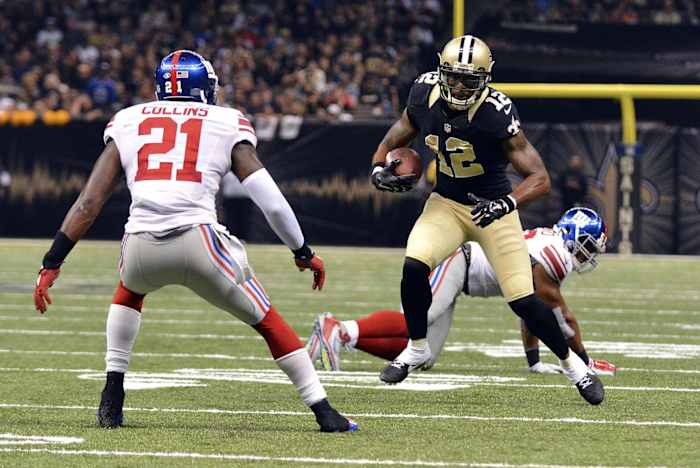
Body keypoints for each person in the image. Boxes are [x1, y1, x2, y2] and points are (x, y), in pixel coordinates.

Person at [32, 50, 357, 433]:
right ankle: (323, 411)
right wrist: (302, 251)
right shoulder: (226, 121)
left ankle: (112, 391)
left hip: (140, 245)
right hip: (200, 241)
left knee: (129, 290)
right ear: (205, 88)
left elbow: (89, 203)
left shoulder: (128, 119)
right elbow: (270, 200)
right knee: (267, 320)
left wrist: (52, 262)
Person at [369, 35, 603, 404]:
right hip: (447, 204)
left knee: (523, 299)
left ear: (485, 79)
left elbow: (540, 178)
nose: (460, 87)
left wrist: (505, 203)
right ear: (441, 72)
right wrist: (378, 168)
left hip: (493, 209)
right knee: (414, 265)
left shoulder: (495, 112)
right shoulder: (423, 93)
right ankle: (416, 348)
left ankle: (575, 367)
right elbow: (393, 138)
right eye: (454, 77)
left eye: (469, 80)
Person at [307, 207, 616, 377]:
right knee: (414, 322)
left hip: (463, 271)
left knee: (423, 356)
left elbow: (533, 311)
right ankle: (339, 328)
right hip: (459, 261)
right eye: (589, 247)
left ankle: (343, 337)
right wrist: (584, 362)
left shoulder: (550, 245)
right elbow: (562, 320)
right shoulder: (557, 256)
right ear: (576, 237)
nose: (590, 255)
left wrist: (533, 361)